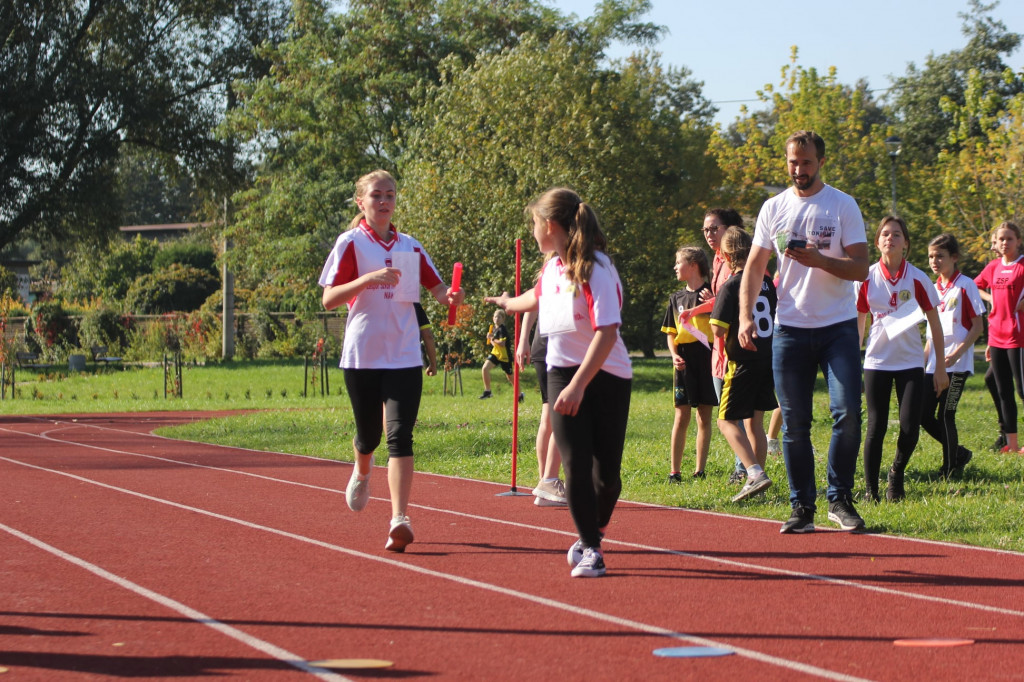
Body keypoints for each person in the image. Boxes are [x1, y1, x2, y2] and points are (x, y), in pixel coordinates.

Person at [485, 187, 632, 578]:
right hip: (561, 372)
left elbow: (607, 332)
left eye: (534, 224)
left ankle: (593, 532)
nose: (532, 232)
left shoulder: (596, 268)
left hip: (607, 374)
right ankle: (592, 548)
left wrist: (580, 385)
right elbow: (533, 298)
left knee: (608, 477)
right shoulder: (552, 268)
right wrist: (505, 303)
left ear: (550, 225)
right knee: (575, 465)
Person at [319, 169, 464, 552]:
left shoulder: (410, 246)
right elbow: (329, 299)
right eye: (376, 195)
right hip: (363, 355)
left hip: (403, 355)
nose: (384, 201)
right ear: (361, 201)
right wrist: (368, 280)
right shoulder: (350, 243)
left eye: (390, 195)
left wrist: (452, 297)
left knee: (400, 435)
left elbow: (438, 290)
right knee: (370, 436)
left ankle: (400, 518)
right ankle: (362, 468)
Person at [738, 130, 870, 534]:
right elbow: (755, 267)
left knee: (848, 413)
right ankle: (802, 508)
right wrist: (744, 316)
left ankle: (839, 499)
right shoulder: (773, 207)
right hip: (790, 330)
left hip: (838, 328)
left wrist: (819, 260)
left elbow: (860, 268)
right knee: (794, 423)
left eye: (807, 162)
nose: (799, 169)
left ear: (821, 162)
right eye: (793, 162)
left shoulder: (842, 204)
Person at [856, 216, 948, 502]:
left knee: (910, 427)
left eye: (897, 234)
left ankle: (896, 474)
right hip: (877, 362)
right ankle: (871, 491)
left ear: (905, 243)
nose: (890, 238)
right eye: (885, 234)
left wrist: (940, 368)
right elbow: (859, 323)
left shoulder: (918, 278)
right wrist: (851, 362)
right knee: (876, 427)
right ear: (877, 242)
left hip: (911, 363)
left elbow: (935, 324)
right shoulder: (866, 277)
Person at [709, 227, 778, 502]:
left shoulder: (732, 284)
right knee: (755, 423)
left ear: (726, 256)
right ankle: (757, 484)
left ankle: (753, 472)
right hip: (767, 358)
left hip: (742, 361)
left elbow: (717, 329)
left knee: (725, 421)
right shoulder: (766, 282)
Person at [921, 233, 984, 477]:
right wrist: (923, 361)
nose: (934, 261)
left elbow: (977, 327)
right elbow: (930, 333)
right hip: (934, 365)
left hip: (957, 366)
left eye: (940, 256)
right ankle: (959, 453)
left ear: (954, 257)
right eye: (930, 256)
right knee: (923, 414)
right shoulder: (932, 288)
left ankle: (949, 468)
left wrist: (956, 355)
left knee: (946, 414)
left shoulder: (965, 285)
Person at [661, 246, 717, 481]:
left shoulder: (712, 292)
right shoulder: (676, 298)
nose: (675, 267)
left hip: (708, 357)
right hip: (683, 360)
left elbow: (724, 321)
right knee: (681, 415)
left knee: (704, 415)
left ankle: (699, 470)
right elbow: (671, 332)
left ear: (693, 265)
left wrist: (715, 302)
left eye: (678, 262)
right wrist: (674, 354)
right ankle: (674, 471)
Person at [974, 221, 1024, 453]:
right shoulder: (993, 267)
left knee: (1022, 391)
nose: (1005, 243)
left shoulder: (1021, 266)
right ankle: (1011, 445)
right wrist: (990, 298)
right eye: (1001, 239)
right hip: (996, 337)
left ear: (1018, 241)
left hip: (1018, 337)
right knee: (1003, 390)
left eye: (1009, 238)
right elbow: (974, 286)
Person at [518, 308, 567, 507]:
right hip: (557, 347)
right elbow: (532, 302)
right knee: (562, 415)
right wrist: (523, 340)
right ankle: (548, 481)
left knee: (548, 416)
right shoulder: (566, 285)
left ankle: (545, 482)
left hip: (543, 345)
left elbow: (532, 302)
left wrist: (524, 340)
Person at [480, 309, 522, 402]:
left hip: (504, 356)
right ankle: (488, 391)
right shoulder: (494, 329)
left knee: (510, 377)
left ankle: (520, 394)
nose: (497, 319)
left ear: (503, 319)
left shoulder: (502, 329)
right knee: (485, 369)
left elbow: (502, 344)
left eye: (499, 317)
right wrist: (490, 339)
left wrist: (492, 338)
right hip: (496, 353)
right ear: (493, 318)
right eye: (495, 317)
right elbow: (495, 344)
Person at [414, 302, 438, 376]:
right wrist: (433, 364)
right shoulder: (415, 305)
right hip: (411, 362)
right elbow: (427, 336)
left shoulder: (382, 304)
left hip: (382, 364)